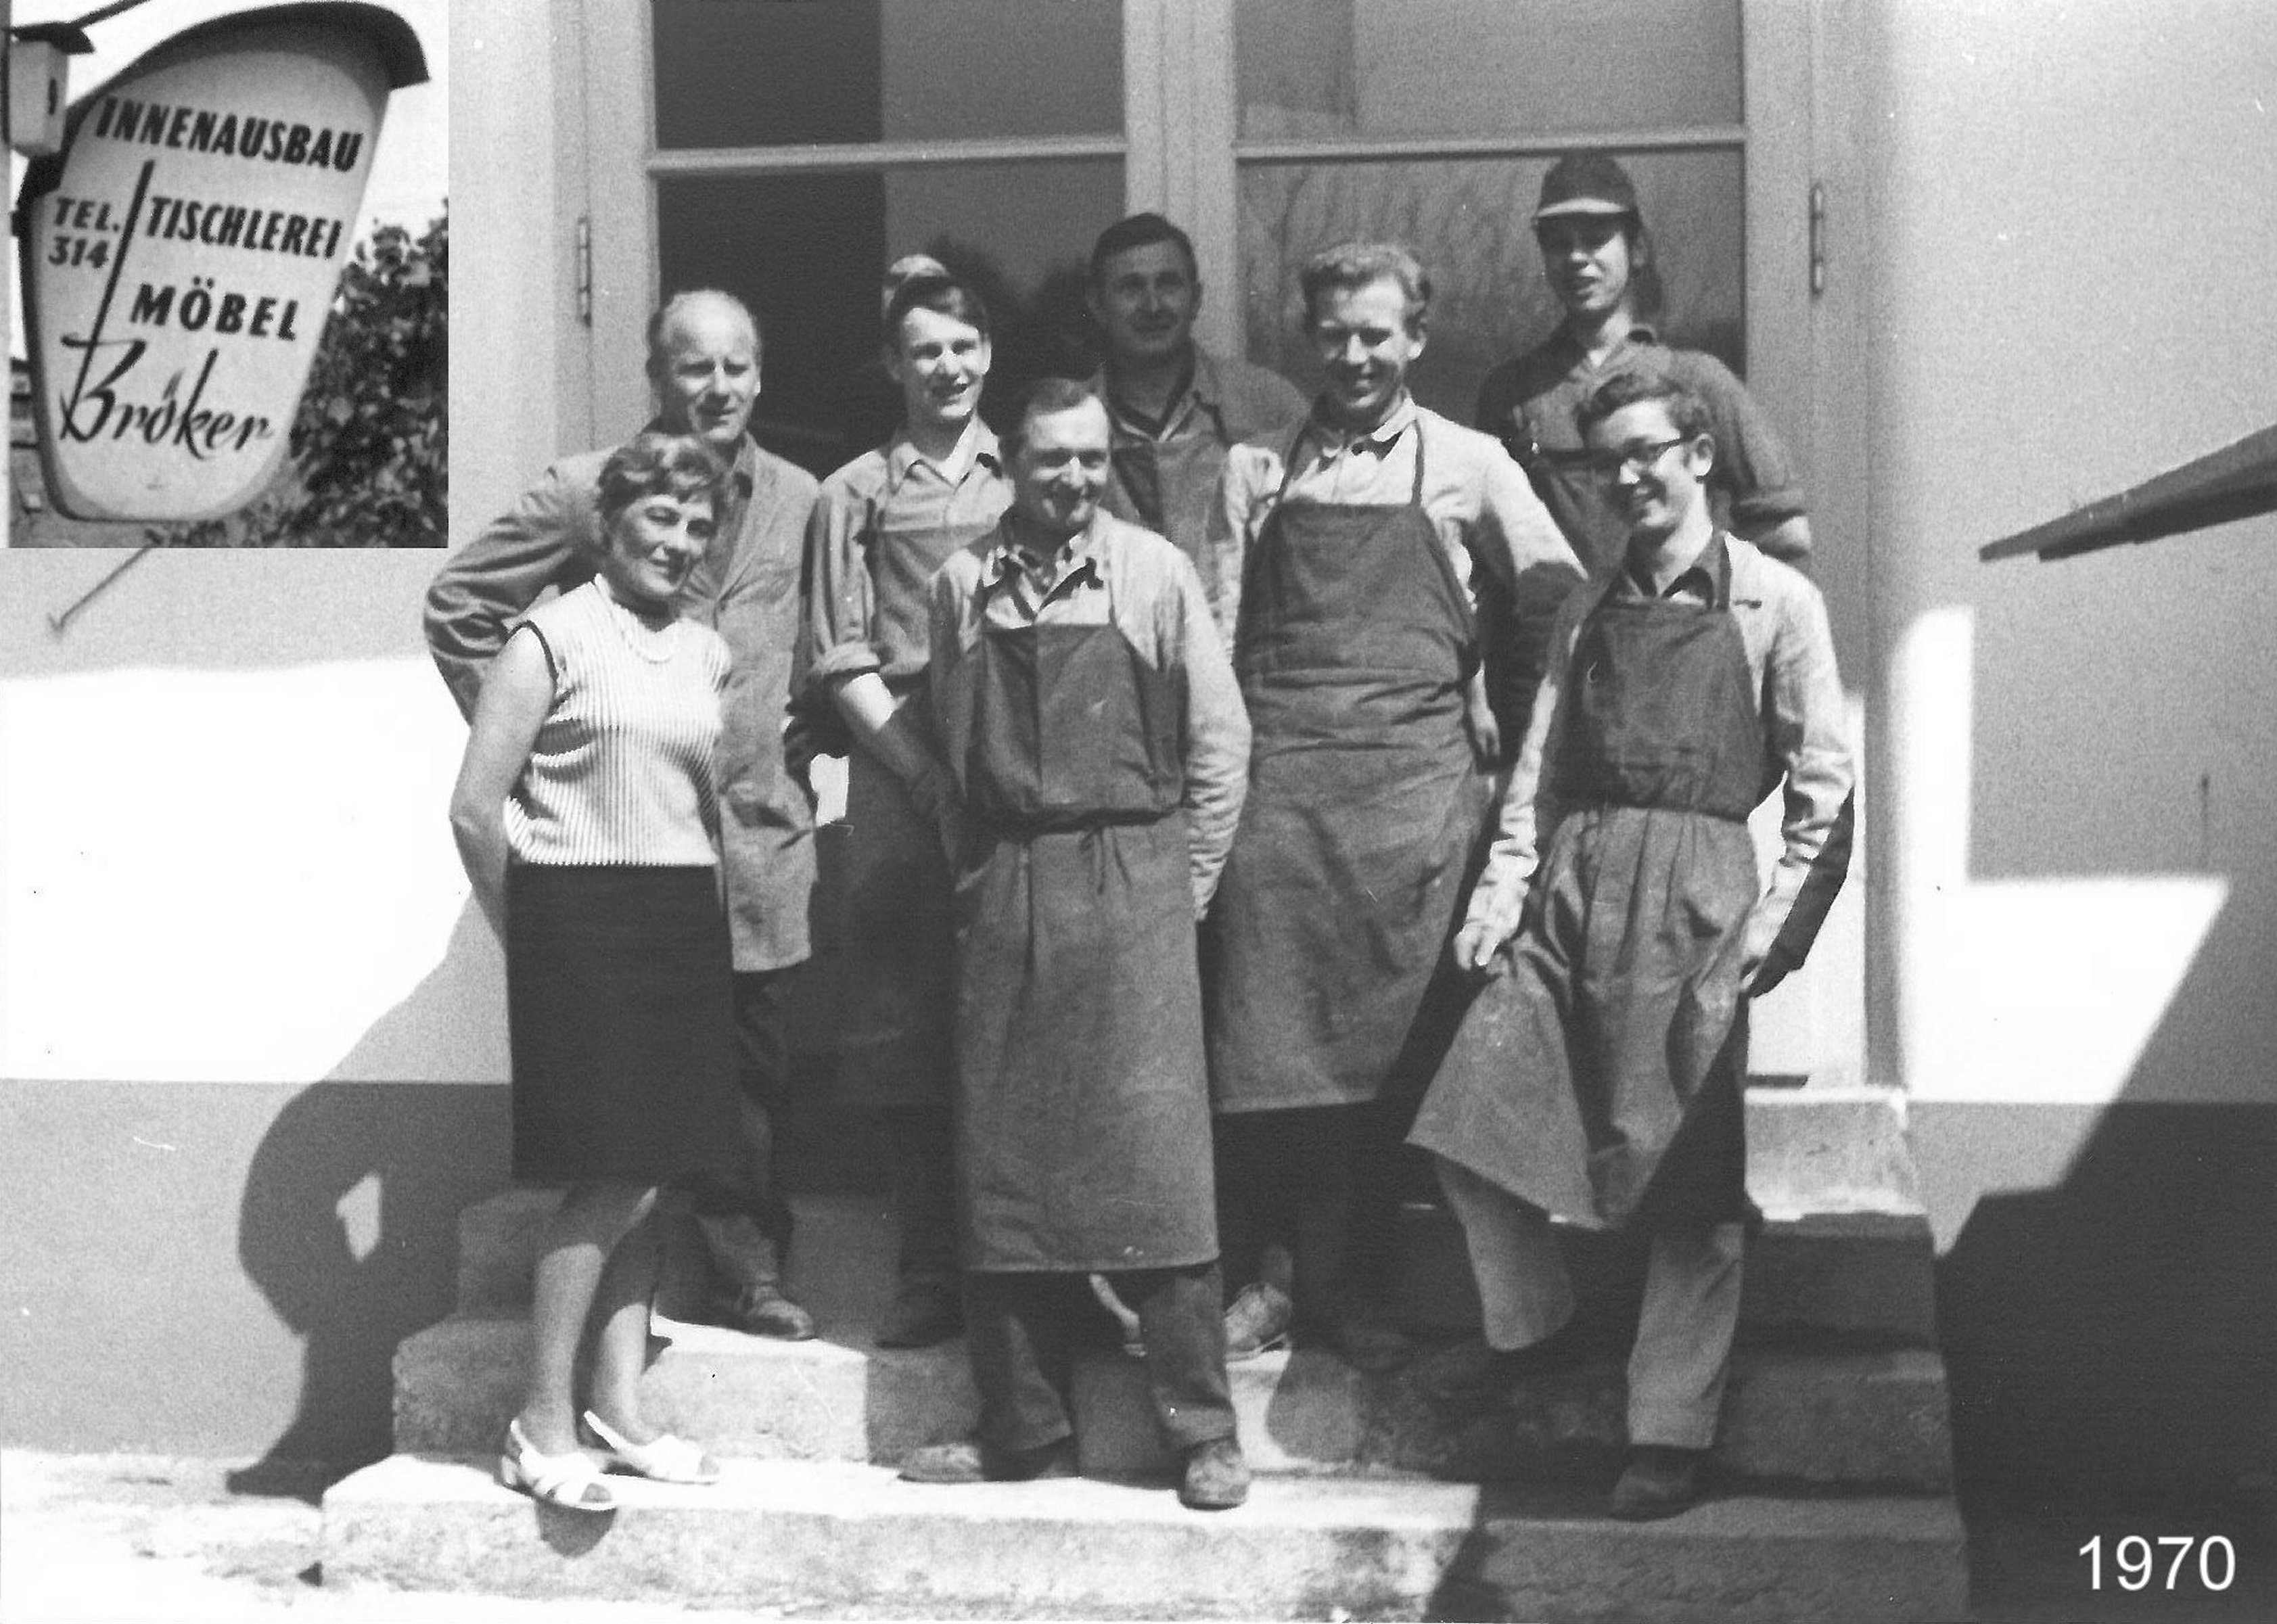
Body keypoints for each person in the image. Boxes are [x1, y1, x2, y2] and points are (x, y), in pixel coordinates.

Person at [1408, 368, 1855, 1520]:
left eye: (1649, 451)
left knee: (1689, 1186)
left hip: (1698, 901)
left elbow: (1823, 787)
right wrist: (1501, 898)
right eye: (1609, 459)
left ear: (1701, 455)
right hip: (1572, 890)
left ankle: (1668, 1425)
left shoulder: (1772, 603)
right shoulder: (1589, 607)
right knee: (1468, 1125)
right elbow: (1539, 775)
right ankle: (1537, 1327)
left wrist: (1772, 932)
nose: (1628, 477)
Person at [1205, 242, 1584, 1368]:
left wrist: (1508, 734)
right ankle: (1273, 1285)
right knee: (1267, 1050)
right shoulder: (1255, 470)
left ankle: (1354, 1288)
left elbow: (1557, 600)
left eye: (1378, 333)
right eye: (1335, 334)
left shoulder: (1468, 463)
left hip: (1416, 804)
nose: (1356, 354)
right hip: (1280, 802)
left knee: (1388, 1058)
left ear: (1416, 338)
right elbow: (1218, 644)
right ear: (1309, 340)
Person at [425, 290, 821, 1343]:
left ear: (762, 375)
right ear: (656, 376)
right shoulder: (586, 490)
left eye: (739, 366)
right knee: (629, 1114)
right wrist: (546, 741)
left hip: (754, 834)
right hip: (631, 841)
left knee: (750, 1061)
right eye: (695, 367)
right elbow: (460, 604)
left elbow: (830, 647)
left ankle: (746, 1263)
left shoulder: (801, 498)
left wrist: (804, 743)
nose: (719, 386)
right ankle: (639, 1303)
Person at [897, 378, 1252, 1510]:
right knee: (1004, 1166)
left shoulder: (1153, 572)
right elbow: (948, 756)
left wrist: (1178, 889)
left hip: (1135, 882)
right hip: (1007, 884)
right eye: (1055, 461)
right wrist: (981, 875)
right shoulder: (964, 585)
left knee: (1156, 1167)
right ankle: (1023, 1431)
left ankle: (1202, 1432)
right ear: (1011, 462)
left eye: (1094, 459)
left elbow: (1221, 742)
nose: (1079, 480)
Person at [449, 432, 745, 1512]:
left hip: (677, 914)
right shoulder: (548, 637)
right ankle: (539, 1422)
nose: (679, 540)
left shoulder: (707, 650)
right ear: (609, 523)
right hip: (581, 915)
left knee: (656, 1170)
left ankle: (619, 1408)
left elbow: (699, 801)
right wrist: (529, 930)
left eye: (698, 524)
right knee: (608, 1170)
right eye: (660, 517)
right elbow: (477, 809)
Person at [802, 271, 1012, 1348]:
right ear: (895, 366)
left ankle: (1020, 1264)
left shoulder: (1027, 475)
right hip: (897, 761)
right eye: (925, 350)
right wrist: (921, 771)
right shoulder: (854, 494)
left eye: (964, 346)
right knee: (905, 1016)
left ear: (989, 353)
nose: (948, 367)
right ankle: (929, 1264)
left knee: (1014, 1004)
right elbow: (840, 655)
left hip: (1011, 756)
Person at [1475, 152, 1812, 581]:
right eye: (1560, 244)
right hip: (1557, 639)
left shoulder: (1694, 380)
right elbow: (1486, 553)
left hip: (1671, 634)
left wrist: (1716, 606)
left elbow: (1785, 533)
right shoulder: (1512, 393)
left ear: (1636, 250)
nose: (1577, 258)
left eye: (1596, 239)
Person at [1082, 212, 1308, 598]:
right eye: (1131, 288)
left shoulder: (1269, 407)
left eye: (1169, 284)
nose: (1153, 305)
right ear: (1099, 306)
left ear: (1196, 299)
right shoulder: (1069, 423)